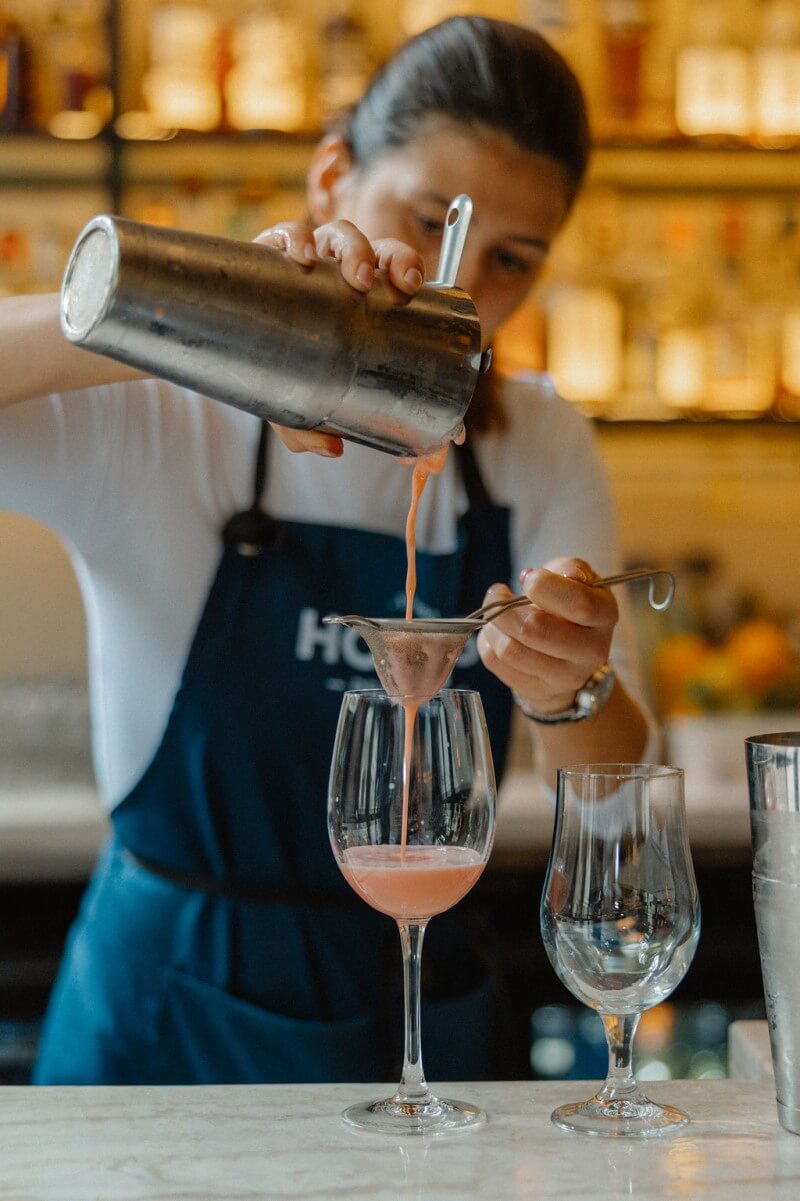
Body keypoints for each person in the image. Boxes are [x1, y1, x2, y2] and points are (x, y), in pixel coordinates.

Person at [0, 16, 655, 1085]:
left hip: (420, 1002)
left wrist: (567, 688)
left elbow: (618, 803)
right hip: (171, 1018)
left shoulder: (536, 443)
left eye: (510, 261)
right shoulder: (167, 418)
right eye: (427, 225)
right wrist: (206, 317)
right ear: (330, 178)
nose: (464, 293)